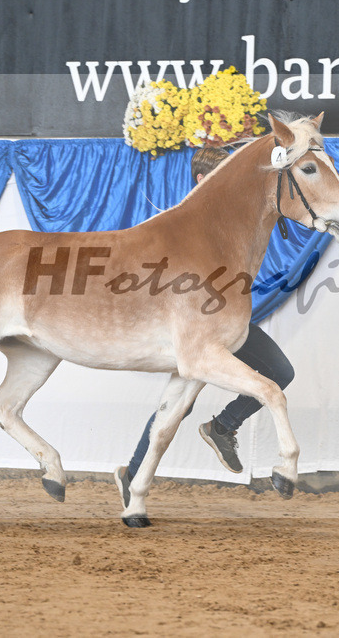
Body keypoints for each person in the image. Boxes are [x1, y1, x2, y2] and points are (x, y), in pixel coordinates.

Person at [114, 146, 295, 506]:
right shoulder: (181, 228)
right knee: (179, 403)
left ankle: (223, 426)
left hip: (223, 325)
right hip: (191, 330)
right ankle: (132, 474)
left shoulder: (230, 223)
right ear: (202, 181)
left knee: (280, 370)